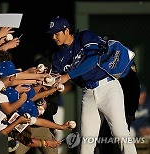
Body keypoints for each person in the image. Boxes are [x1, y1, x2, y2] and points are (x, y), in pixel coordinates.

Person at [46, 16, 137, 154]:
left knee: (120, 133)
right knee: (86, 141)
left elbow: (93, 60)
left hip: (108, 87)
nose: (53, 37)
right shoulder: (58, 57)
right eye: (51, 34)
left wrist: (68, 76)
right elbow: (54, 78)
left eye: (56, 33)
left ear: (66, 30)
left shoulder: (84, 36)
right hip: (88, 93)